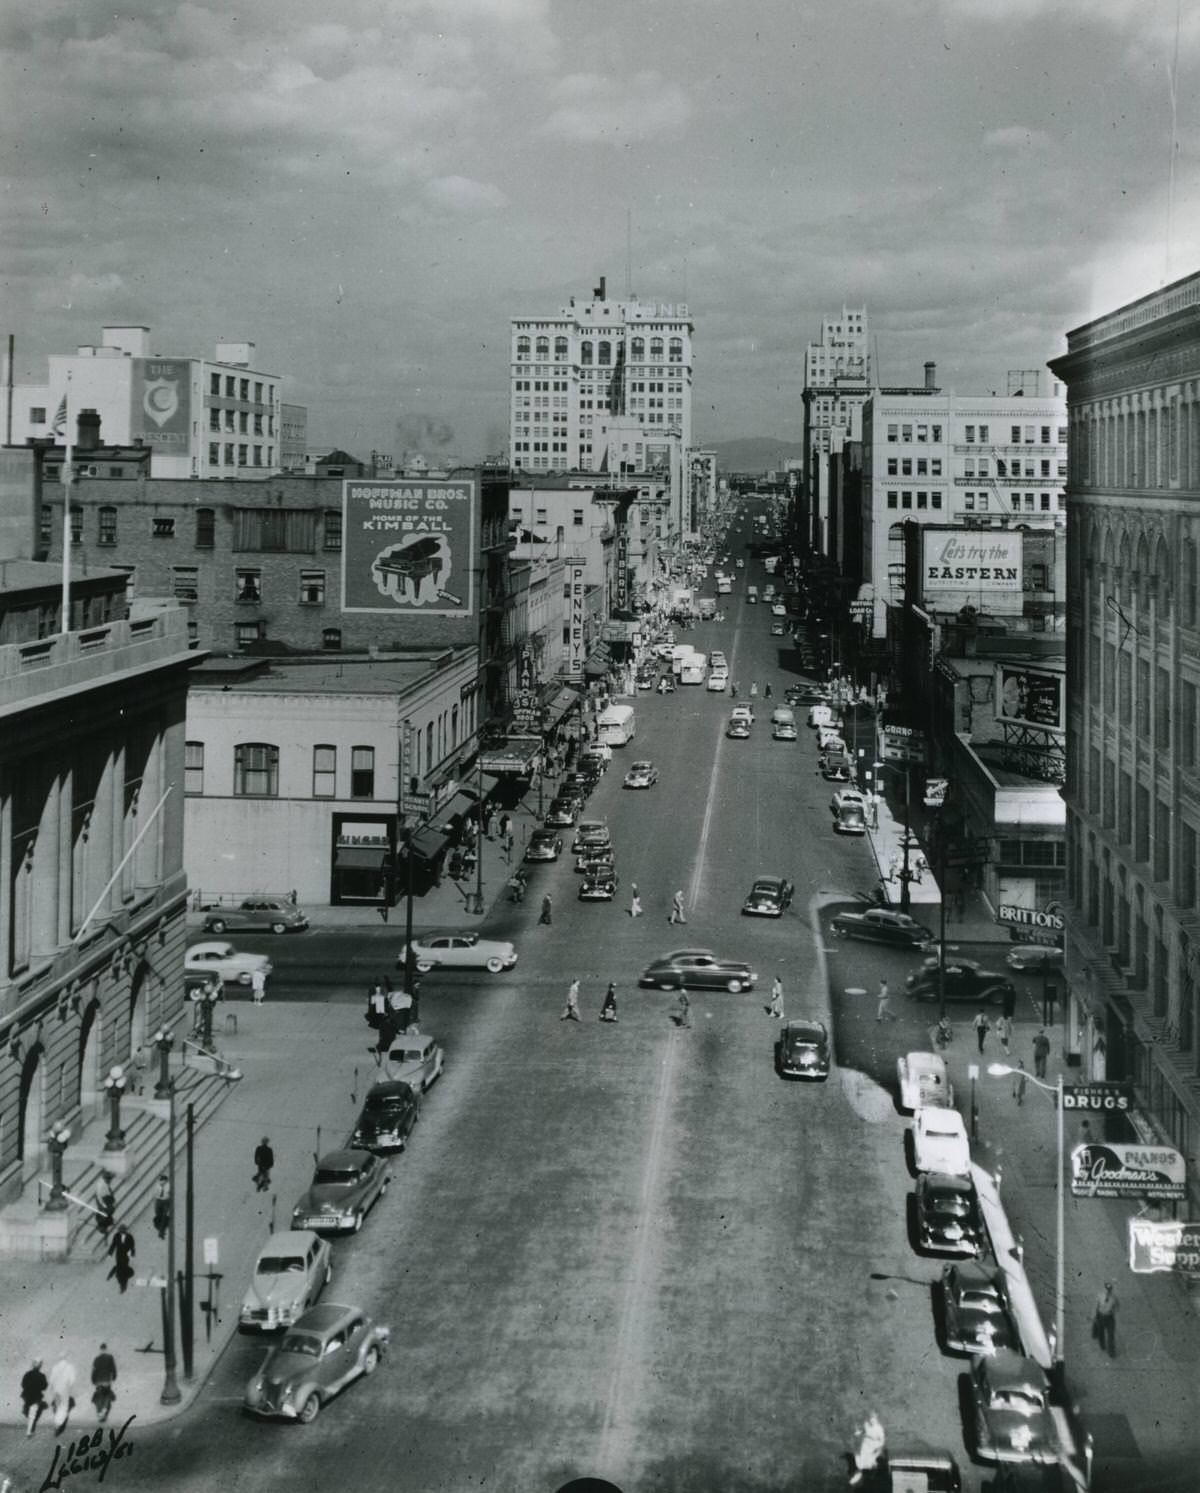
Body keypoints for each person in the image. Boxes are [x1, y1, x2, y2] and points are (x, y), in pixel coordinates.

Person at [849, 1411, 886, 1486]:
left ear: (877, 1419)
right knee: (862, 1462)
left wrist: (877, 1449)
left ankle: (872, 1472)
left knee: (870, 1462)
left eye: (874, 1419)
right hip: (865, 1444)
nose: (872, 1421)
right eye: (871, 1419)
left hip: (874, 1446)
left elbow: (882, 1441)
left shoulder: (879, 1429)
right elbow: (864, 1431)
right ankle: (859, 1474)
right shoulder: (866, 1424)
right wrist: (859, 1432)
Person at [47, 1354, 77, 1434]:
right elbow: (72, 1380)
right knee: (64, 1407)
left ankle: (57, 1421)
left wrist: (51, 1388)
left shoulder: (55, 1367)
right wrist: (69, 1387)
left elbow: (51, 1379)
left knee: (57, 1406)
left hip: (56, 1389)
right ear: (66, 1358)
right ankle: (58, 1423)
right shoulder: (70, 1367)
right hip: (64, 1389)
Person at [90, 1344, 117, 1426]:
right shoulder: (110, 1357)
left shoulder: (96, 1359)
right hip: (107, 1381)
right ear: (106, 1349)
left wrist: (93, 1380)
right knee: (107, 1396)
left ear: (100, 1350)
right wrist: (114, 1377)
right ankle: (104, 1409)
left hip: (98, 1382)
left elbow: (94, 1371)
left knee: (99, 1398)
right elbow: (113, 1368)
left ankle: (100, 1413)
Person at [21, 1358, 47, 1437]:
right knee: (33, 1413)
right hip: (36, 1396)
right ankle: (29, 1431)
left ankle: (30, 1430)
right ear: (40, 1366)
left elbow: (23, 1384)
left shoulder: (27, 1374)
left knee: (30, 1413)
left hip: (27, 1396)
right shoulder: (42, 1376)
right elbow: (44, 1386)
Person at [107, 1225, 135, 1294]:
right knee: (119, 1269)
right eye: (121, 1231)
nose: (122, 1232)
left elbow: (132, 1246)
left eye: (123, 1231)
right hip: (119, 1255)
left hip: (125, 1256)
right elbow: (113, 1244)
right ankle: (122, 1284)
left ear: (125, 1231)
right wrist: (110, 1253)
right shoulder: (116, 1236)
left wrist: (132, 1254)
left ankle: (122, 1284)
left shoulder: (129, 1237)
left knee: (122, 1269)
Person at [1093, 1280, 1118, 1357]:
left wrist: (1113, 1311)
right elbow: (1096, 1306)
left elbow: (1117, 1307)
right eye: (1107, 1289)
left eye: (1109, 1289)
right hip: (1101, 1317)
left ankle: (1111, 1352)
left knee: (1111, 1335)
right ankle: (1102, 1345)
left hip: (1110, 1318)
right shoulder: (1100, 1296)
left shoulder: (1114, 1298)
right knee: (1101, 1333)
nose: (1108, 1291)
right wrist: (1094, 1316)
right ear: (1104, 1289)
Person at [94, 1172, 116, 1239]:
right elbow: (99, 1197)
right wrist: (104, 1206)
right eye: (109, 1179)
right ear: (106, 1179)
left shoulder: (105, 1184)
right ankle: (104, 1226)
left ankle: (107, 1223)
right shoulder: (101, 1186)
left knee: (108, 1213)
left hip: (106, 1200)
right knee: (105, 1214)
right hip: (103, 1201)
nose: (110, 1181)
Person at [152, 1174, 171, 1240]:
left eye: (165, 1182)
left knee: (163, 1215)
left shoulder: (168, 1186)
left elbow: (169, 1193)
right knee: (158, 1215)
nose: (163, 1183)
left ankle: (161, 1232)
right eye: (162, 1181)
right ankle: (161, 1230)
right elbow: (155, 1194)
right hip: (159, 1201)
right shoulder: (157, 1186)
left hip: (165, 1201)